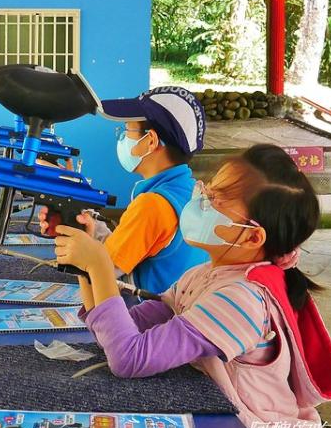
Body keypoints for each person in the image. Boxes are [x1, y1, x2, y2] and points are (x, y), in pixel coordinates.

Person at [48, 146, 331, 428]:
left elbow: (128, 358)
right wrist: (85, 267)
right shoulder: (204, 275)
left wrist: (100, 265)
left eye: (217, 200)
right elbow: (122, 330)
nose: (201, 199)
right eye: (209, 187)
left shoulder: (240, 300)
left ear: (252, 238)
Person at [43, 86, 210, 294]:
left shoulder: (153, 204)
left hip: (148, 319)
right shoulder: (189, 191)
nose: (122, 138)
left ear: (150, 140)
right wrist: (87, 222)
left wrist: (61, 192)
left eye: (127, 131)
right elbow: (127, 245)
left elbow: (102, 269)